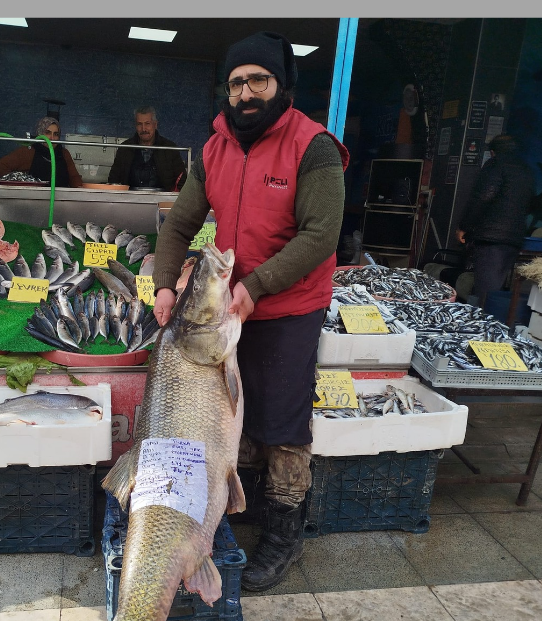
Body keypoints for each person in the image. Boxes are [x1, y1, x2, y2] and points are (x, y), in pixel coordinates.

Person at [151, 31, 349, 592]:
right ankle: (241, 509)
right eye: (237, 82)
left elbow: (321, 235)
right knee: (232, 417)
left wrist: (258, 284)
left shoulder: (313, 147)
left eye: (259, 80)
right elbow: (180, 224)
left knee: (282, 425)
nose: (246, 93)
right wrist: (164, 285)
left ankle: (284, 534)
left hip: (287, 305)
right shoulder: (214, 148)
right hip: (227, 310)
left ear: (282, 85)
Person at [456, 134, 536, 308]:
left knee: (485, 290)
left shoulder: (495, 165)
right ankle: (480, 317)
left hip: (491, 238)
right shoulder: (526, 170)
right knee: (495, 286)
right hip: (514, 239)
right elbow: (531, 204)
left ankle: (480, 321)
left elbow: (483, 197)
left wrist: (464, 226)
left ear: (492, 152)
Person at [107, 106, 187, 190]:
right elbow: (113, 181)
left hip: (162, 197)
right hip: (129, 197)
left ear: (155, 125)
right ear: (135, 126)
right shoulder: (125, 149)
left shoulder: (169, 149)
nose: (143, 129)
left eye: (147, 123)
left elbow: (182, 182)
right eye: (139, 124)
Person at [0, 117, 83, 187]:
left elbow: (74, 177)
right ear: (40, 133)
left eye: (56, 134)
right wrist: (20, 181)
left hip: (59, 200)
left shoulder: (64, 153)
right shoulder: (28, 151)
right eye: (47, 133)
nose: (52, 138)